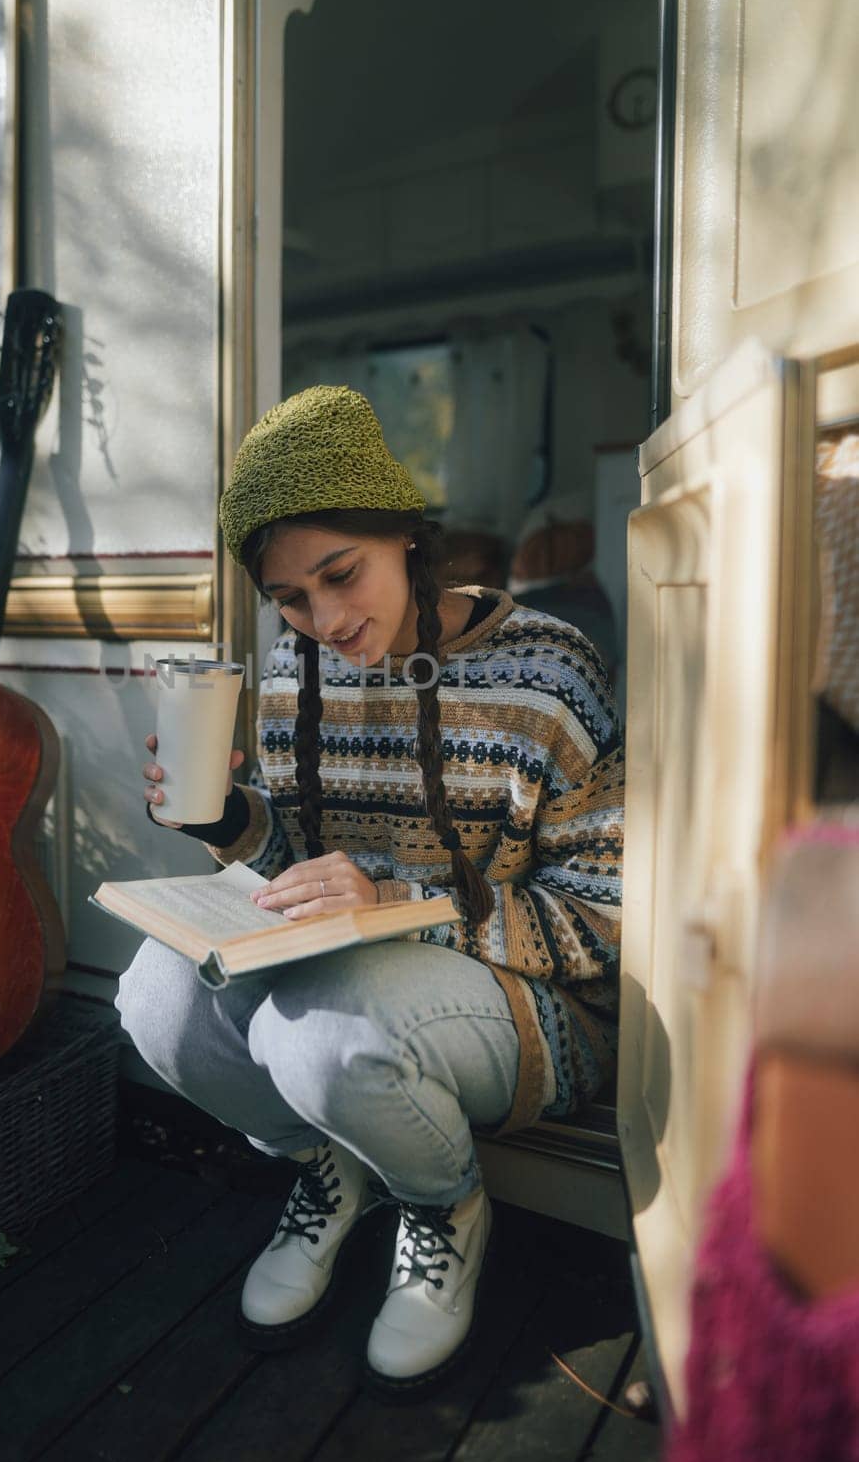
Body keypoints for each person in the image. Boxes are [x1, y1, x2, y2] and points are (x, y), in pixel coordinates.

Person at [115, 385, 624, 1398]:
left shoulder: (547, 668)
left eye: (340, 574)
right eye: (291, 599)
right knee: (153, 997)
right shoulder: (295, 665)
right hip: (351, 983)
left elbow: (606, 920)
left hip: (530, 1006)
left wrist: (398, 895)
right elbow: (301, 872)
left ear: (401, 532)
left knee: (316, 1032)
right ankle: (326, 1166)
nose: (324, 618)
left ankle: (441, 1206)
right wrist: (225, 825)